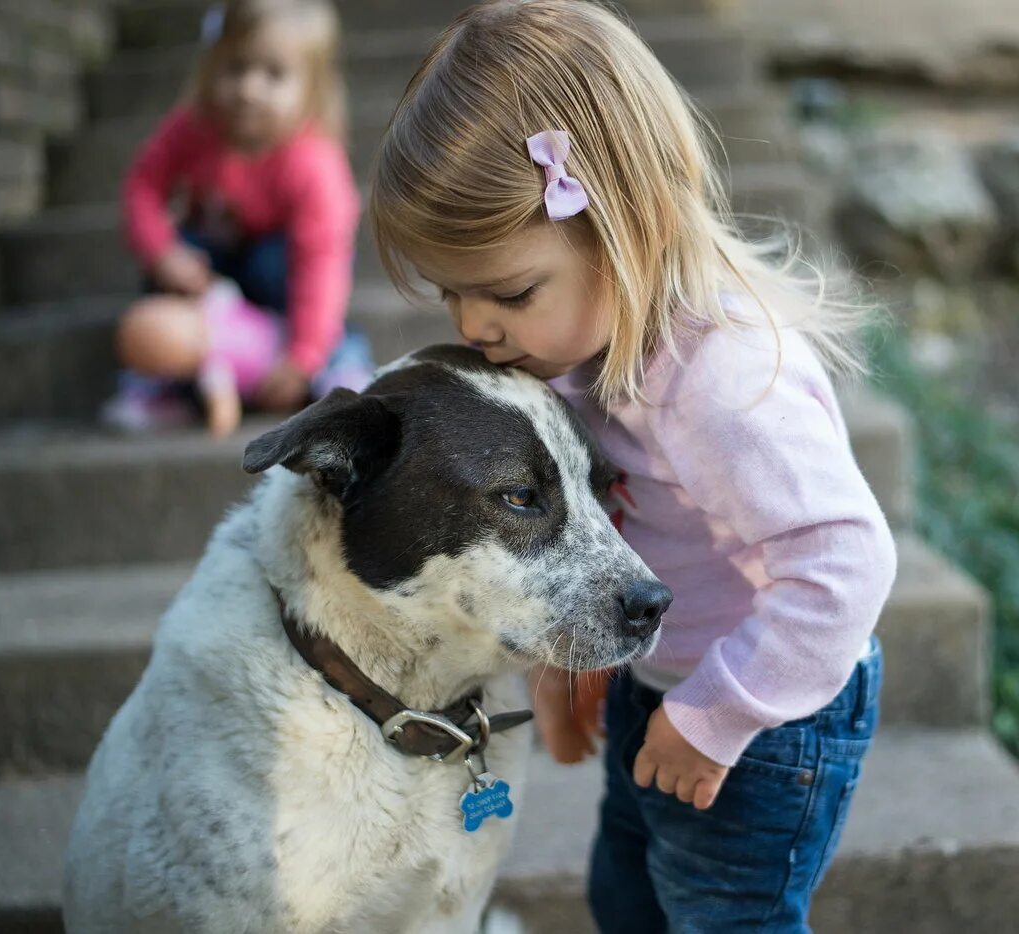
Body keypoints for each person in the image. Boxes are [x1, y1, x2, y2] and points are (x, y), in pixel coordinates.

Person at [370, 1, 898, 929]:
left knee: (723, 916)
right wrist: (569, 670)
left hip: (769, 716)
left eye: (508, 292)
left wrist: (716, 718)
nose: (470, 327)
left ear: (628, 227)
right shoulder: (569, 355)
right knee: (627, 900)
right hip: (668, 687)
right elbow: (606, 529)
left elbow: (846, 566)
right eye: (453, 292)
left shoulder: (719, 385)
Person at [103, 0, 370, 437]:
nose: (248, 88)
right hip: (211, 277)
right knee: (175, 263)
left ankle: (339, 363)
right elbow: (142, 185)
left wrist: (304, 353)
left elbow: (321, 262)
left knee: (277, 264)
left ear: (311, 87)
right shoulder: (195, 126)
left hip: (283, 283)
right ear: (212, 67)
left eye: (273, 74)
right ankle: (165, 382)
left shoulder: (315, 162)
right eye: (236, 68)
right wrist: (162, 252)